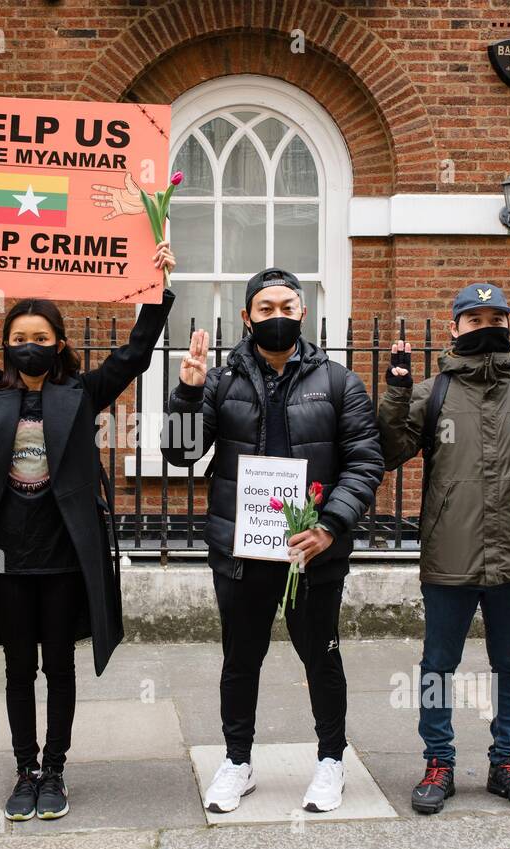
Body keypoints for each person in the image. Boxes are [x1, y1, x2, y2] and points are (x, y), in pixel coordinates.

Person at [0, 239, 175, 822]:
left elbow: (135, 354)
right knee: (20, 668)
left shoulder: (81, 393)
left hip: (64, 555)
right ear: (7, 343)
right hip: (5, 559)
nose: (30, 346)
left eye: (42, 338)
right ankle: (25, 770)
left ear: (59, 344)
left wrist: (160, 287)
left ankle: (57, 770)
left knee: (60, 666)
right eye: (20, 337)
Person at [161, 267, 384, 815]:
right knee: (241, 659)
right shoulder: (220, 382)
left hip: (314, 550)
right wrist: (187, 394)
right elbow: (181, 455)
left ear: (303, 312)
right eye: (265, 309)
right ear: (246, 317)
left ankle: (331, 760)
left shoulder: (339, 382)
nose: (277, 317)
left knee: (322, 656)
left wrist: (330, 525)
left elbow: (364, 461)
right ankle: (238, 762)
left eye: (287, 306)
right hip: (241, 549)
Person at [377, 283, 510, 816]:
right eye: (473, 319)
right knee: (437, 664)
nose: (485, 326)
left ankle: (507, 763)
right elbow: (391, 452)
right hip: (449, 551)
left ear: (508, 324)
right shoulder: (432, 392)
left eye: (494, 317)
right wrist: (394, 392)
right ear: (453, 328)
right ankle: (438, 762)